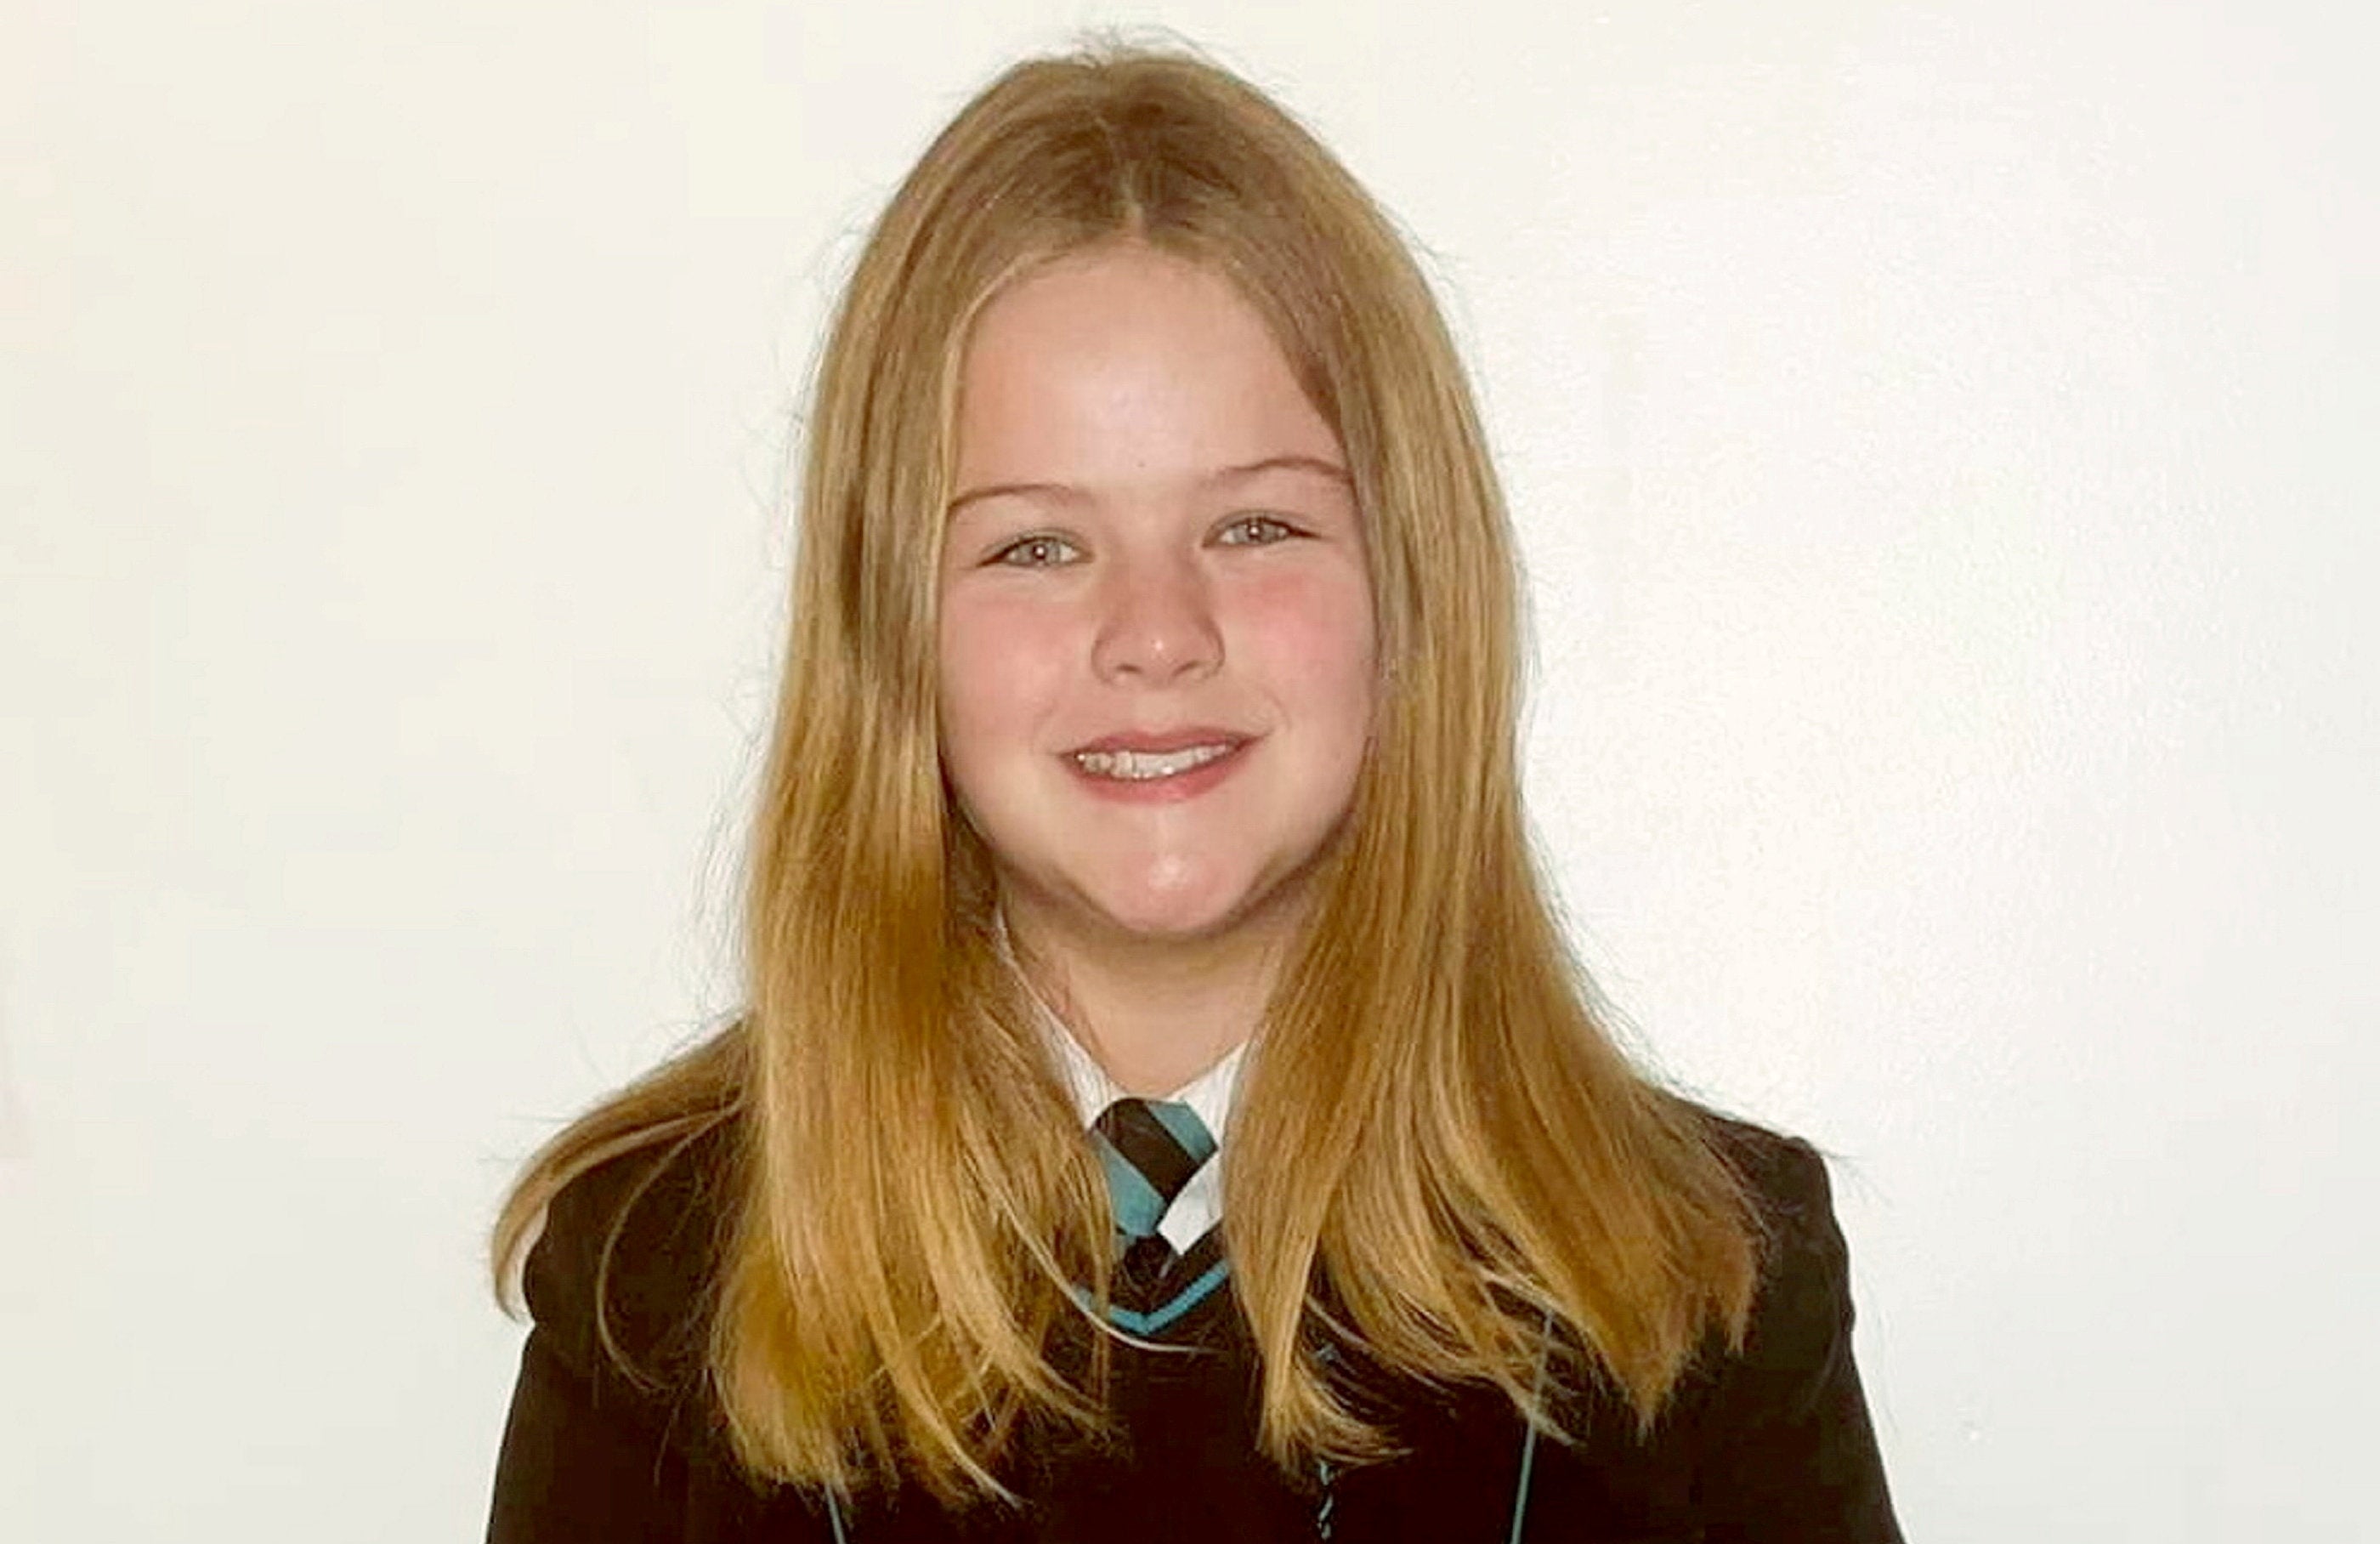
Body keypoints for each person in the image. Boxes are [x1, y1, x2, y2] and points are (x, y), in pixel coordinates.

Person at [484, 42, 1901, 1544]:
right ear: (893, 626)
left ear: (1412, 594)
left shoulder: (1698, 1282)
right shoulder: (656, 1272)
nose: (1156, 635)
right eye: (1036, 545)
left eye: (1254, 525)